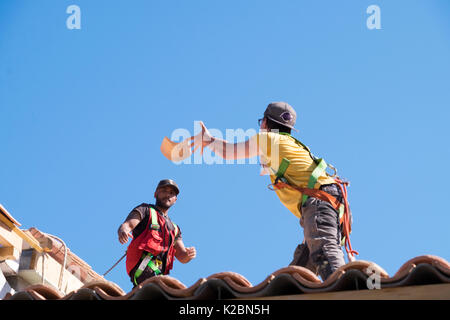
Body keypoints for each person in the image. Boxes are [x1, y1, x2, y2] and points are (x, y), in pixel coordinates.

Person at [192, 102, 356, 281]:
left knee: (324, 253)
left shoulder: (268, 139)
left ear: (265, 123)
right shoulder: (287, 144)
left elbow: (228, 152)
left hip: (320, 203)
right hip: (329, 203)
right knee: (301, 273)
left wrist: (208, 140)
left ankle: (346, 293)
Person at [118, 179, 196, 286]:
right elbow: (128, 224)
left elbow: (182, 256)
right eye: (164, 190)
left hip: (159, 274)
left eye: (171, 193)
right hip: (143, 268)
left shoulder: (175, 229)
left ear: (175, 199)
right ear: (155, 194)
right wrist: (124, 230)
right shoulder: (145, 210)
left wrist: (188, 254)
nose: (168, 194)